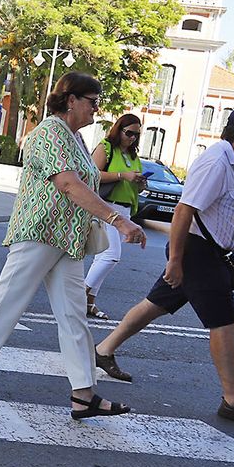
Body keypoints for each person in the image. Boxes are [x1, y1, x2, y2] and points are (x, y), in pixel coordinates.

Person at [0, 73, 147, 413]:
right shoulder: (49, 133)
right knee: (9, 298)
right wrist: (118, 220)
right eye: (92, 102)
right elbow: (69, 184)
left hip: (68, 237)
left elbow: (90, 180)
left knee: (73, 314)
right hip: (41, 230)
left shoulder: (77, 138)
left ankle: (83, 393)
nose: (96, 110)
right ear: (71, 100)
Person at [93, 106, 234, 425]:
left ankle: (104, 349)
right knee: (224, 323)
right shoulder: (216, 162)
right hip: (198, 255)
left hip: (210, 254)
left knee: (156, 304)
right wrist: (176, 260)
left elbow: (230, 217)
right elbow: (183, 211)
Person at [85, 114, 149, 319]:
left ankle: (89, 303)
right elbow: (92, 174)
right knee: (111, 255)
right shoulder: (106, 148)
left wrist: (139, 183)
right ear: (118, 129)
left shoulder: (132, 156)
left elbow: (135, 189)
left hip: (125, 209)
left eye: (136, 135)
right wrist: (123, 175)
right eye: (129, 133)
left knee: (102, 257)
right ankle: (80, 295)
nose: (132, 138)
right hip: (107, 206)